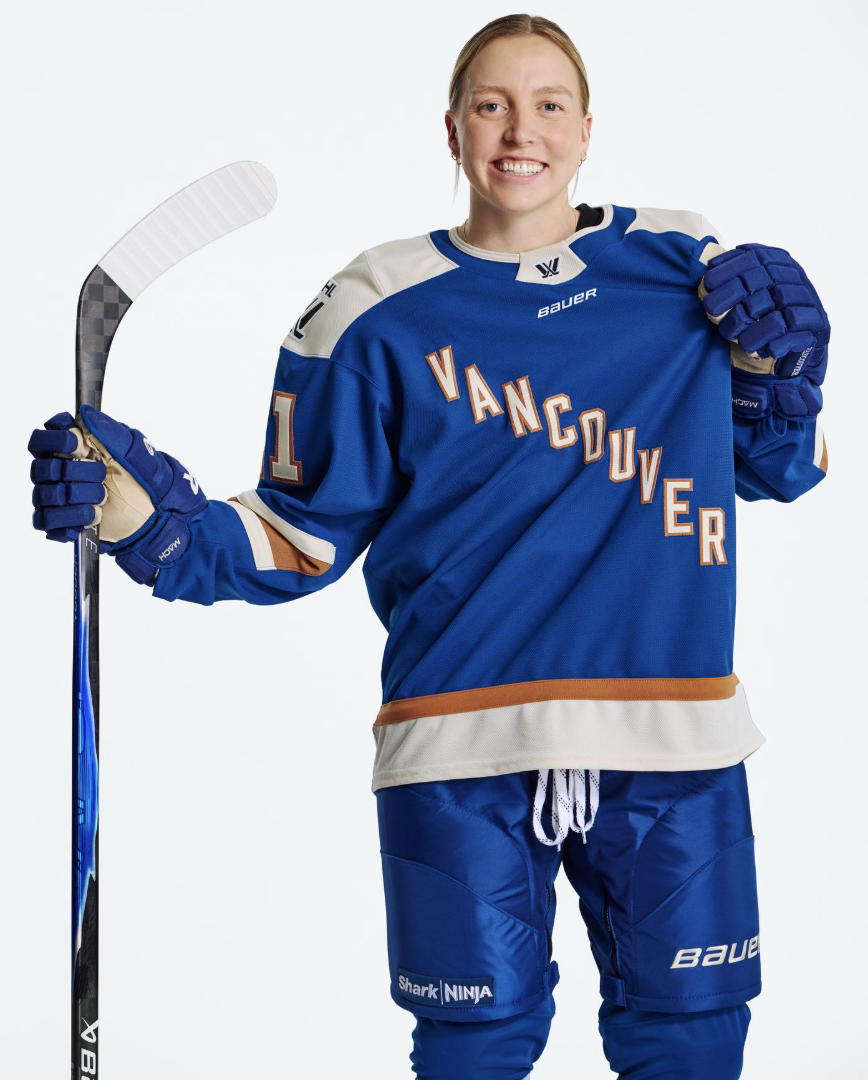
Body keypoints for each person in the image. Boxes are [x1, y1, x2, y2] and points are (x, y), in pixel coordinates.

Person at [29, 13, 830, 1079]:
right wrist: (151, 525)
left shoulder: (687, 265)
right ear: (452, 129)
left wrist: (781, 374)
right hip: (456, 748)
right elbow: (297, 534)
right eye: (492, 105)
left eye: (548, 105)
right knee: (472, 1051)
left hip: (673, 738)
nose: (521, 130)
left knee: (692, 1042)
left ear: (587, 129)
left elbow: (781, 468)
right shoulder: (372, 307)